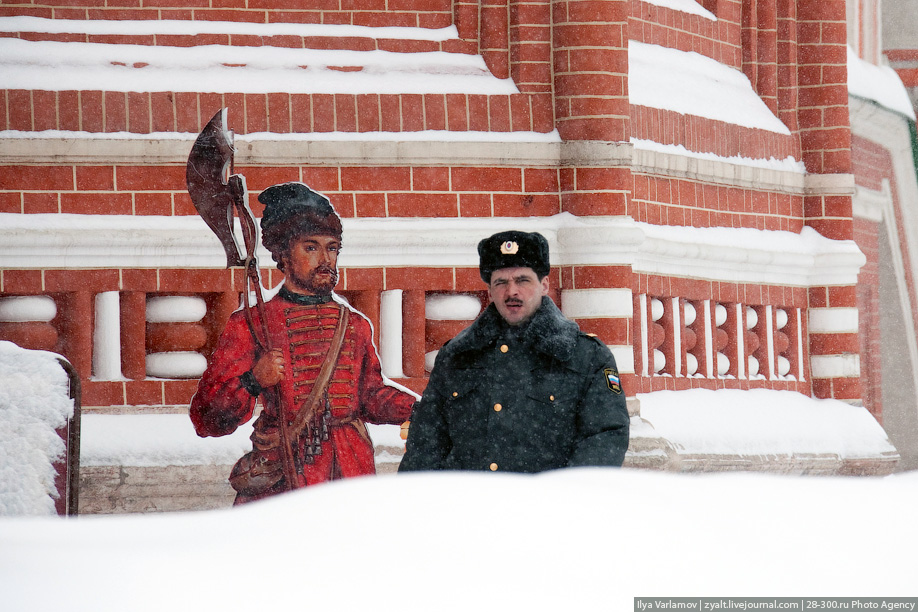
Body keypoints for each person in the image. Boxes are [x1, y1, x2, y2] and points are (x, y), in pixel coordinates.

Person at [191, 182, 416, 504]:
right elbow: (207, 418)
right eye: (310, 247)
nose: (325, 259)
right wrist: (253, 380)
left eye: (332, 247)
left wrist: (418, 408)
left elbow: (368, 395)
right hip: (284, 469)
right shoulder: (251, 324)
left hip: (350, 468)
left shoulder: (354, 325)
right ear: (283, 254)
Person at [399, 230, 630, 473]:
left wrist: (564, 498)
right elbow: (425, 443)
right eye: (501, 282)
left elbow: (605, 437)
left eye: (522, 280)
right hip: (468, 505)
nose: (512, 292)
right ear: (489, 291)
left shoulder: (584, 355)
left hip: (548, 506)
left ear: (544, 285)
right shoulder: (458, 356)